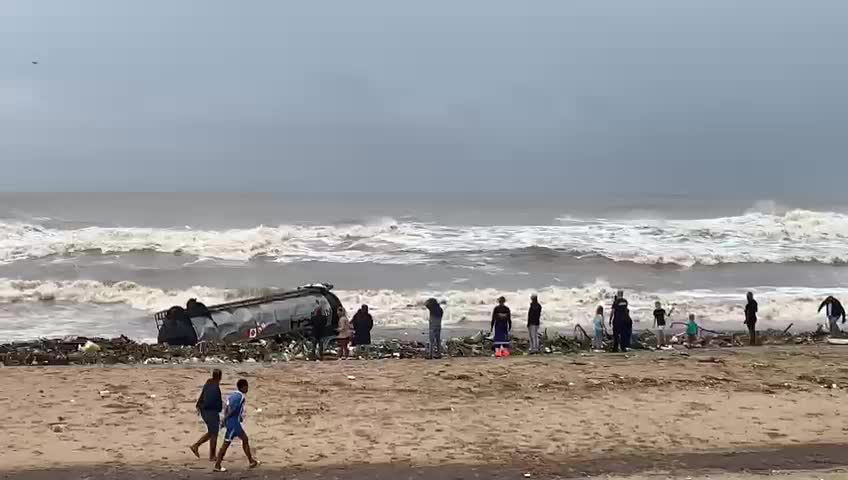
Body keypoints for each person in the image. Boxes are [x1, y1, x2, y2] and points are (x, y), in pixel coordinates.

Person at [213, 379, 259, 472]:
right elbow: (233, 409)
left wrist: (233, 418)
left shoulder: (232, 395)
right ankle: (217, 465)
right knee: (226, 444)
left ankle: (251, 461)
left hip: (234, 423)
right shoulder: (240, 397)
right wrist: (225, 419)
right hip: (233, 425)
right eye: (246, 387)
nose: (247, 389)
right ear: (243, 387)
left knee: (244, 439)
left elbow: (227, 407)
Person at [190, 369, 223, 461]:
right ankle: (212, 456)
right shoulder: (215, 387)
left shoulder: (207, 384)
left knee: (211, 432)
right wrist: (218, 409)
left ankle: (195, 446)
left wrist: (199, 406)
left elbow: (202, 396)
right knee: (214, 433)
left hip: (203, 410)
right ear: (220, 377)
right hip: (210, 411)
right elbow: (214, 402)